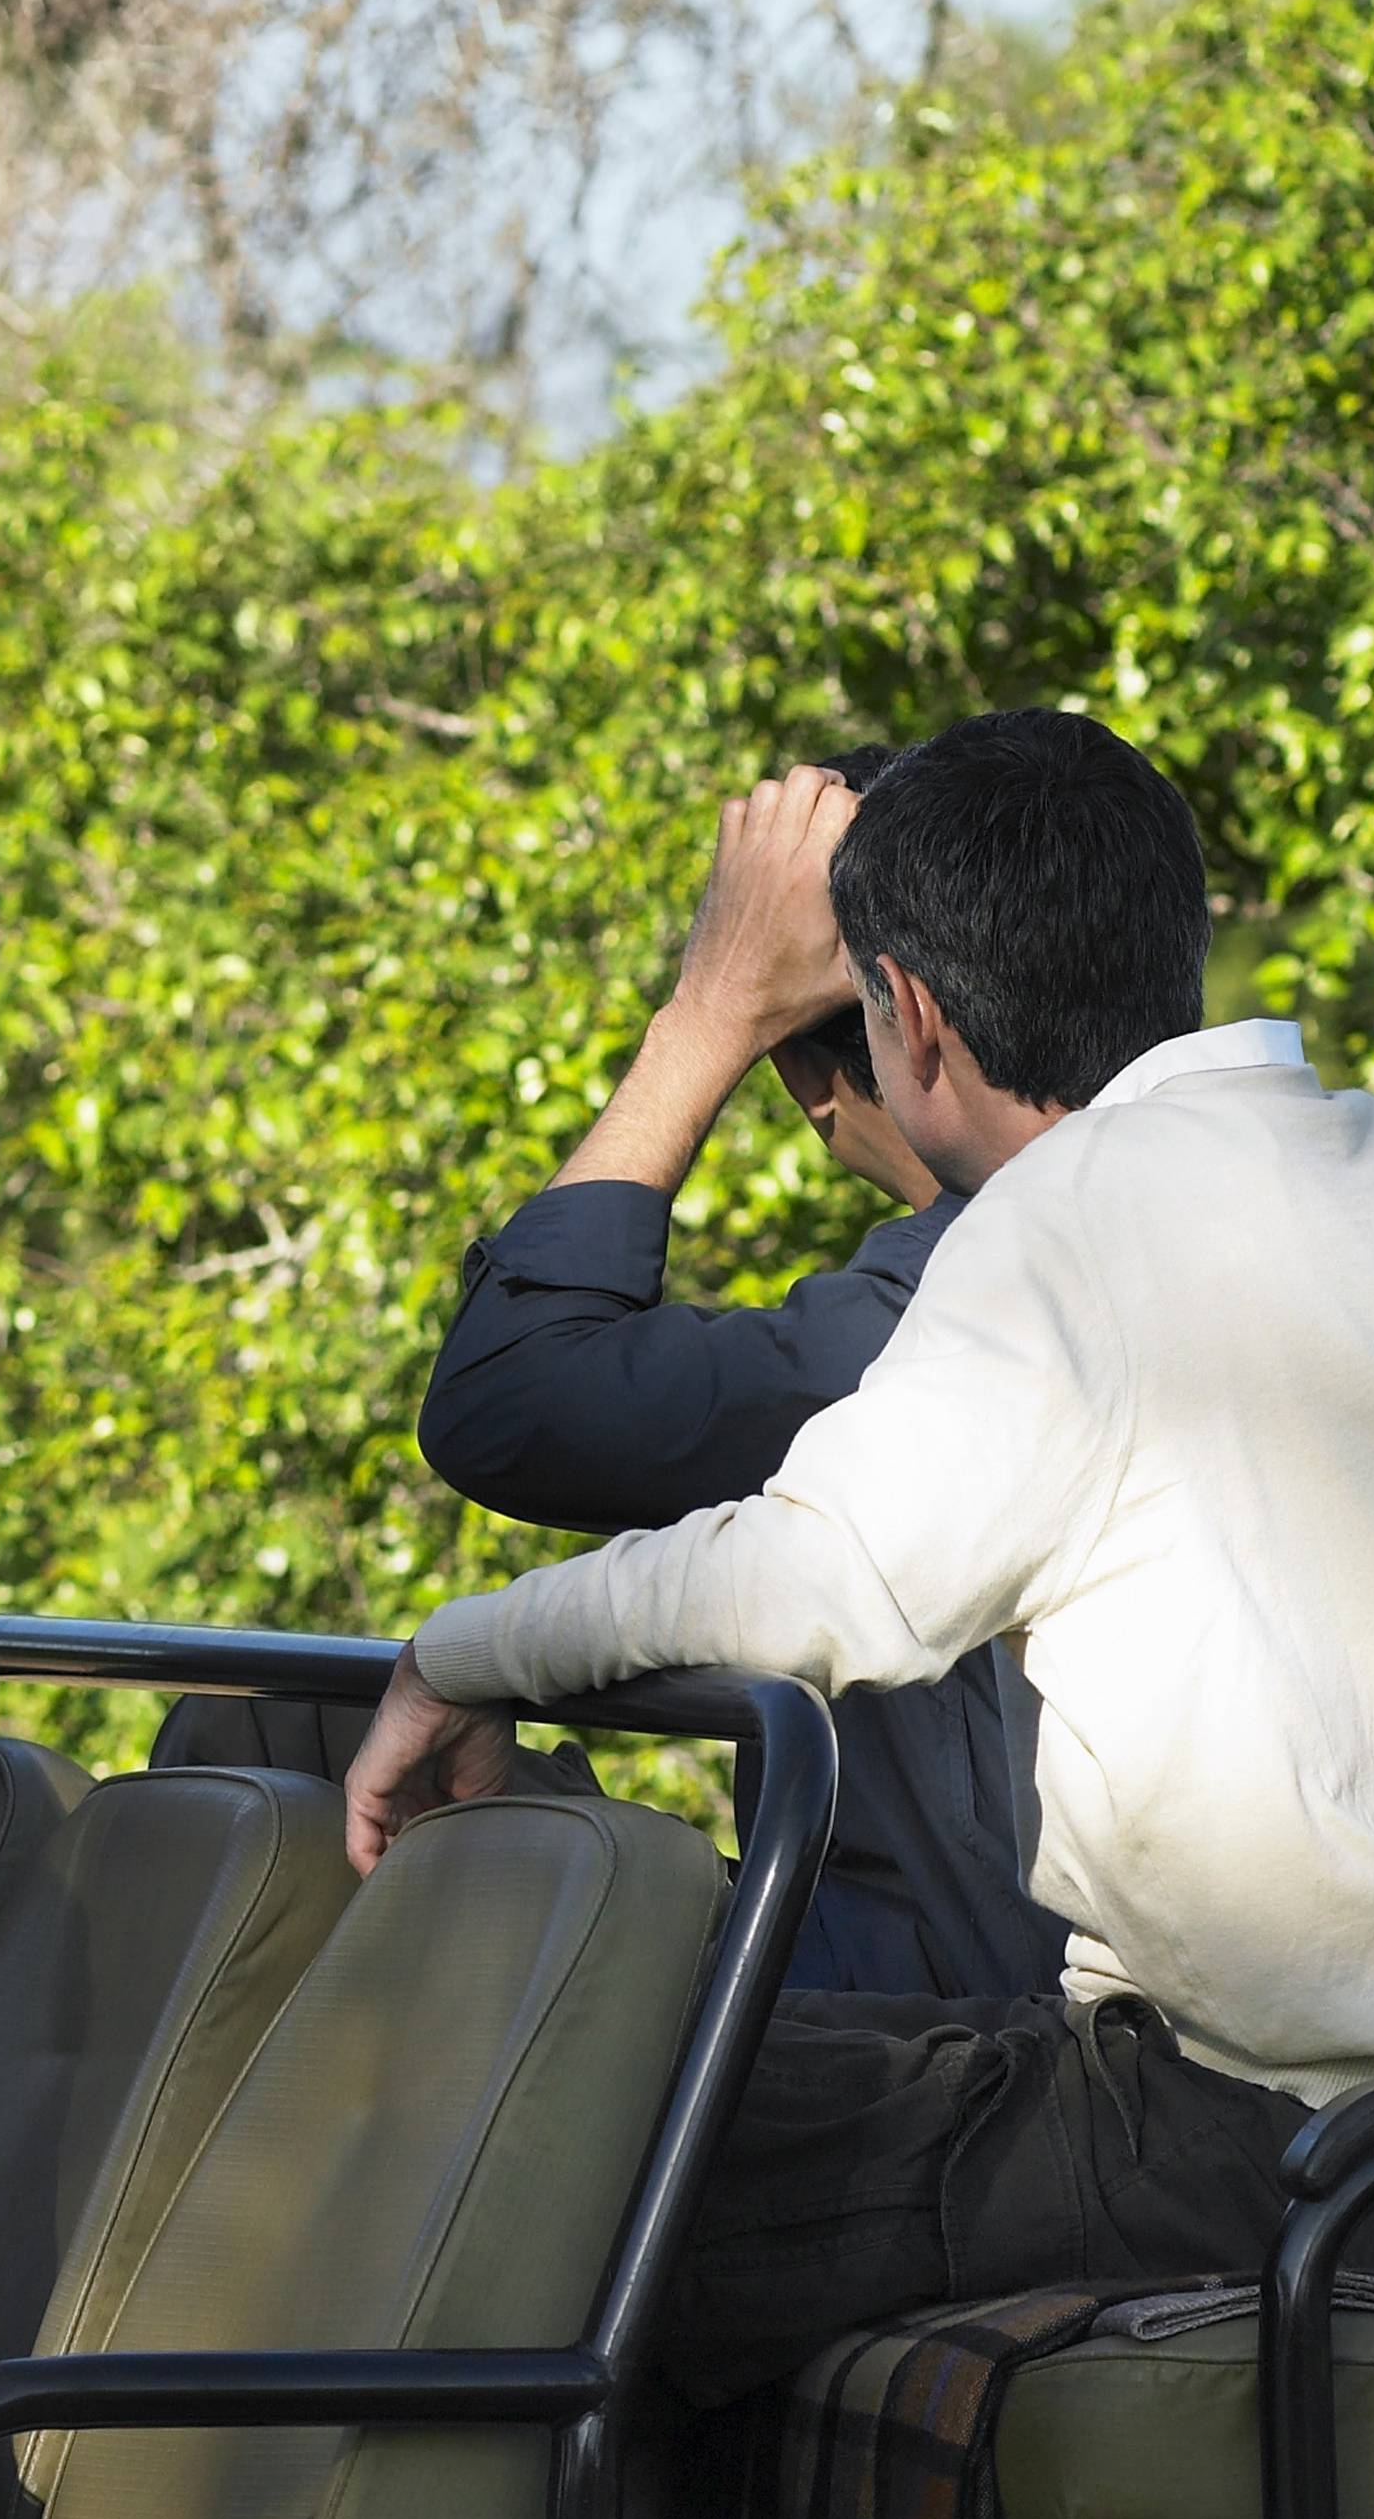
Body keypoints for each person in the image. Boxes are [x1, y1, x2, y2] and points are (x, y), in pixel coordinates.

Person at [341, 708, 1374, 2416]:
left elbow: (811, 1584)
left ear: (912, 1018)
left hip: (1235, 2137)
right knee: (657, 2090)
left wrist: (460, 1650)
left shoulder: (1052, 1227)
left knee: (535, 2157)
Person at [418, 747, 1062, 2003]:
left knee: (288, 1742)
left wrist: (709, 1010)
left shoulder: (953, 1305)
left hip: (967, 2061)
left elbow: (505, 1403)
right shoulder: (1305, 1217)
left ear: (837, 1074)